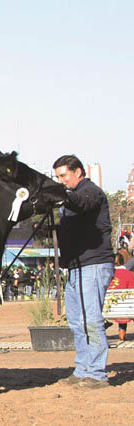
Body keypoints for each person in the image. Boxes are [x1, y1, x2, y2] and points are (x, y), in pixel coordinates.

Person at [54, 154, 115, 388]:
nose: (61, 181)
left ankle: (97, 373)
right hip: (76, 266)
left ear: (78, 172)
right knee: (77, 321)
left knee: (91, 320)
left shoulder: (91, 192)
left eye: (63, 176)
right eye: (57, 177)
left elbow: (81, 203)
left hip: (94, 264)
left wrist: (60, 196)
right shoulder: (70, 202)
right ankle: (82, 369)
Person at [108, 252, 134, 341]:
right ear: (124, 262)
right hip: (125, 308)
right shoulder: (128, 274)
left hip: (109, 308)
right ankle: (122, 335)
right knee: (126, 306)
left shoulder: (107, 274)